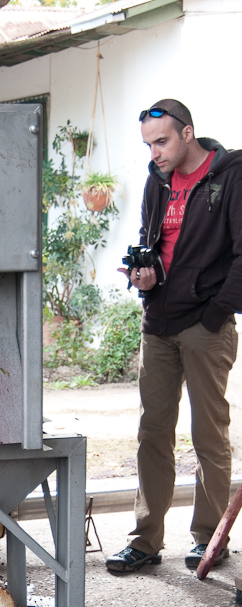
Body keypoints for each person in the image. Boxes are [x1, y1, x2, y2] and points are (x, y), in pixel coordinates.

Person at [106, 99, 242, 573]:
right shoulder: (155, 180)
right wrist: (145, 279)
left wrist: (215, 314)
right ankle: (145, 541)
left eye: (161, 141)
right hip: (158, 324)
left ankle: (210, 538)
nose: (154, 152)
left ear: (188, 133)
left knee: (209, 436)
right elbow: (156, 249)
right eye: (148, 144)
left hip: (206, 326)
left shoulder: (231, 176)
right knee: (152, 434)